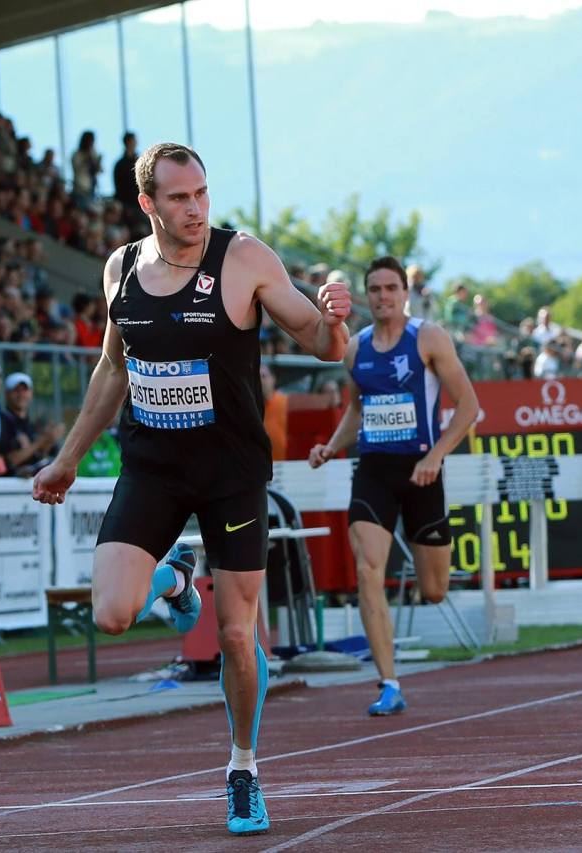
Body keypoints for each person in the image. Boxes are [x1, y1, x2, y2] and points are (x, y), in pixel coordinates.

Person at [31, 142, 351, 835]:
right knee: (113, 611)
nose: (196, 207)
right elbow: (112, 370)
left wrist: (337, 315)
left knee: (237, 634)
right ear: (148, 204)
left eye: (202, 192)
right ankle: (177, 584)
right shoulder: (122, 268)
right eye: (179, 197)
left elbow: (323, 344)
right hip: (153, 467)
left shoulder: (244, 259)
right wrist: (67, 459)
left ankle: (243, 768)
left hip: (231, 473)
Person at [308, 256, 477, 717]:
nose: (383, 296)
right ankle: (389, 682)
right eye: (375, 289)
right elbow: (358, 411)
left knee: (434, 589)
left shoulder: (428, 338)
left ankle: (434, 572)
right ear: (366, 296)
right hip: (374, 471)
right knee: (367, 570)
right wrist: (330, 447)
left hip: (422, 471)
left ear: (405, 293)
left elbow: (468, 406)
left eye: (391, 288)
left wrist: (435, 456)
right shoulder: (356, 348)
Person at [259, 362, 341, 461]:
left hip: (288, 465)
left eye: (263, 376)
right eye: (256, 377)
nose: (260, 380)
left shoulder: (288, 403)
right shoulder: (250, 408)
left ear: (273, 379)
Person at [0, 372, 65, 476]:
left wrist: (49, 441)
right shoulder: (1, 420)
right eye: (16, 390)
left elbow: (39, 457)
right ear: (6, 393)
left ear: (31, 393)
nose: (21, 394)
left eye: (25, 390)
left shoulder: (31, 425)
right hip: (5, 485)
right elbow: (8, 461)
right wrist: (41, 441)